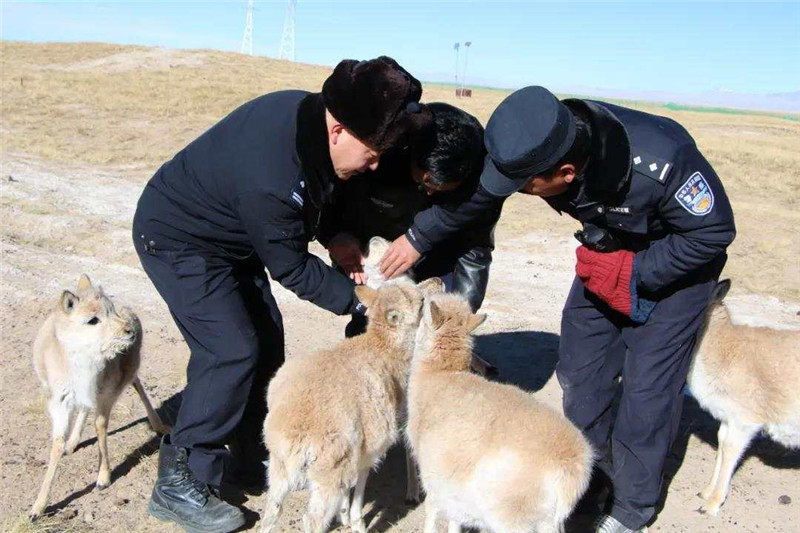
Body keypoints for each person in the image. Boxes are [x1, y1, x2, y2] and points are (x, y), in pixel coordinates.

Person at [381, 86, 736, 533]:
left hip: (677, 261)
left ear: (566, 172)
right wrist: (418, 238)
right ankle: (593, 482)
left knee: (648, 389)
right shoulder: (535, 141)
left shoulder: (664, 165)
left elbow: (713, 233)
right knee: (580, 369)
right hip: (606, 252)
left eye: (526, 187)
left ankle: (631, 509)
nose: (520, 193)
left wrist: (636, 271)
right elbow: (480, 197)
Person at [132, 56, 431, 533]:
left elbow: (317, 195)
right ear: (339, 131)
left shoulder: (310, 124)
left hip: (232, 239)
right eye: (372, 153)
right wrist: (362, 302)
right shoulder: (271, 176)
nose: (374, 165)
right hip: (177, 238)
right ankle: (182, 479)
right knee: (229, 349)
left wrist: (335, 235)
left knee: (267, 341)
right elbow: (290, 266)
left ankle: (252, 456)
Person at [323, 102, 499, 337]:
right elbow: (333, 198)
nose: (429, 193)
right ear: (411, 153)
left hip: (439, 259)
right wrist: (334, 234)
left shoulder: (482, 182)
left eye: (440, 190)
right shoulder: (379, 152)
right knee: (372, 333)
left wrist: (456, 315)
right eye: (426, 183)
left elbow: (475, 253)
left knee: (432, 329)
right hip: (379, 255)